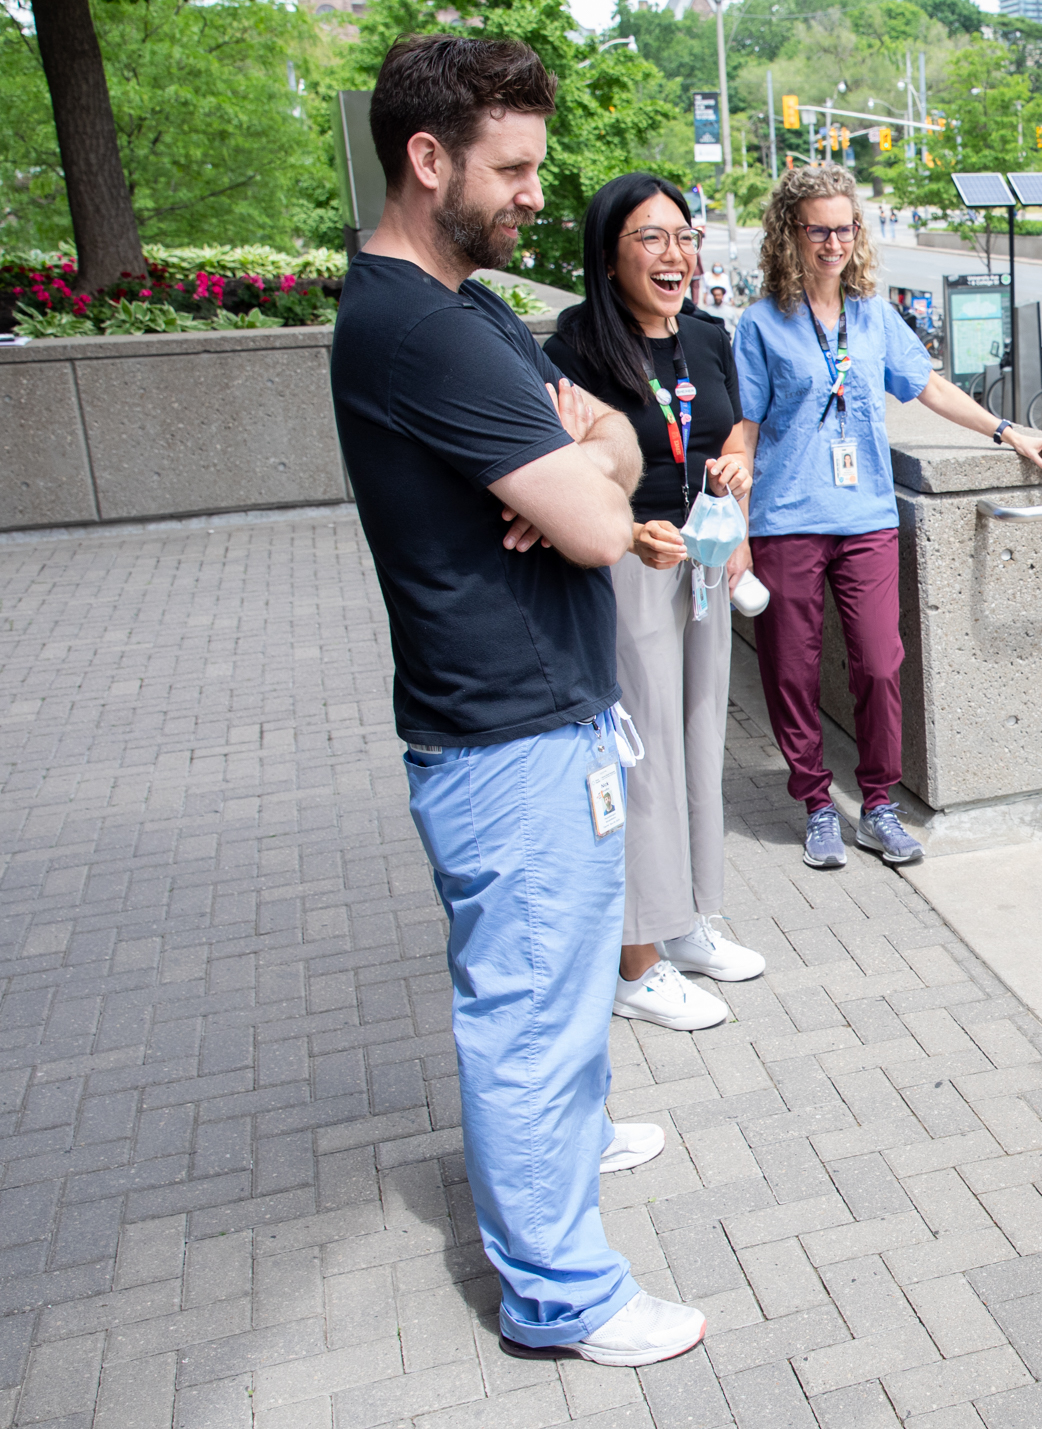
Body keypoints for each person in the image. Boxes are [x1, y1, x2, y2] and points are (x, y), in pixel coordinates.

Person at [328, 36, 706, 1365]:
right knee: (528, 1016)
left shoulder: (463, 304)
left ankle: (571, 1152)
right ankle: (562, 1294)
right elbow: (608, 523)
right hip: (507, 736)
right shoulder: (418, 328)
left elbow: (612, 437)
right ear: (427, 160)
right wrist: (582, 484)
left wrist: (580, 466)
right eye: (514, 167)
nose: (538, 194)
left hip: (538, 716)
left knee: (552, 997)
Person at [734, 164, 1042, 870]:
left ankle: (878, 803)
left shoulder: (876, 317)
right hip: (786, 517)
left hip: (867, 518)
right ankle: (817, 803)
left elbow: (930, 388)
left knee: (881, 663)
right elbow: (747, 427)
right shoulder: (762, 324)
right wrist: (731, 518)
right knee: (790, 671)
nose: (833, 243)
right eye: (819, 229)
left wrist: (1008, 432)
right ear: (789, 234)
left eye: (845, 228)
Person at [542, 173, 770, 1037]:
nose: (675, 256)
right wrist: (628, 528)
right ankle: (637, 960)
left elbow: (733, 427)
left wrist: (737, 475)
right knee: (642, 758)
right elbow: (562, 468)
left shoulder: (708, 336)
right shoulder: (571, 351)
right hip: (631, 562)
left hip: (705, 556)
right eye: (651, 238)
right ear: (609, 256)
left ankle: (689, 919)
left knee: (700, 737)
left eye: (683, 236)